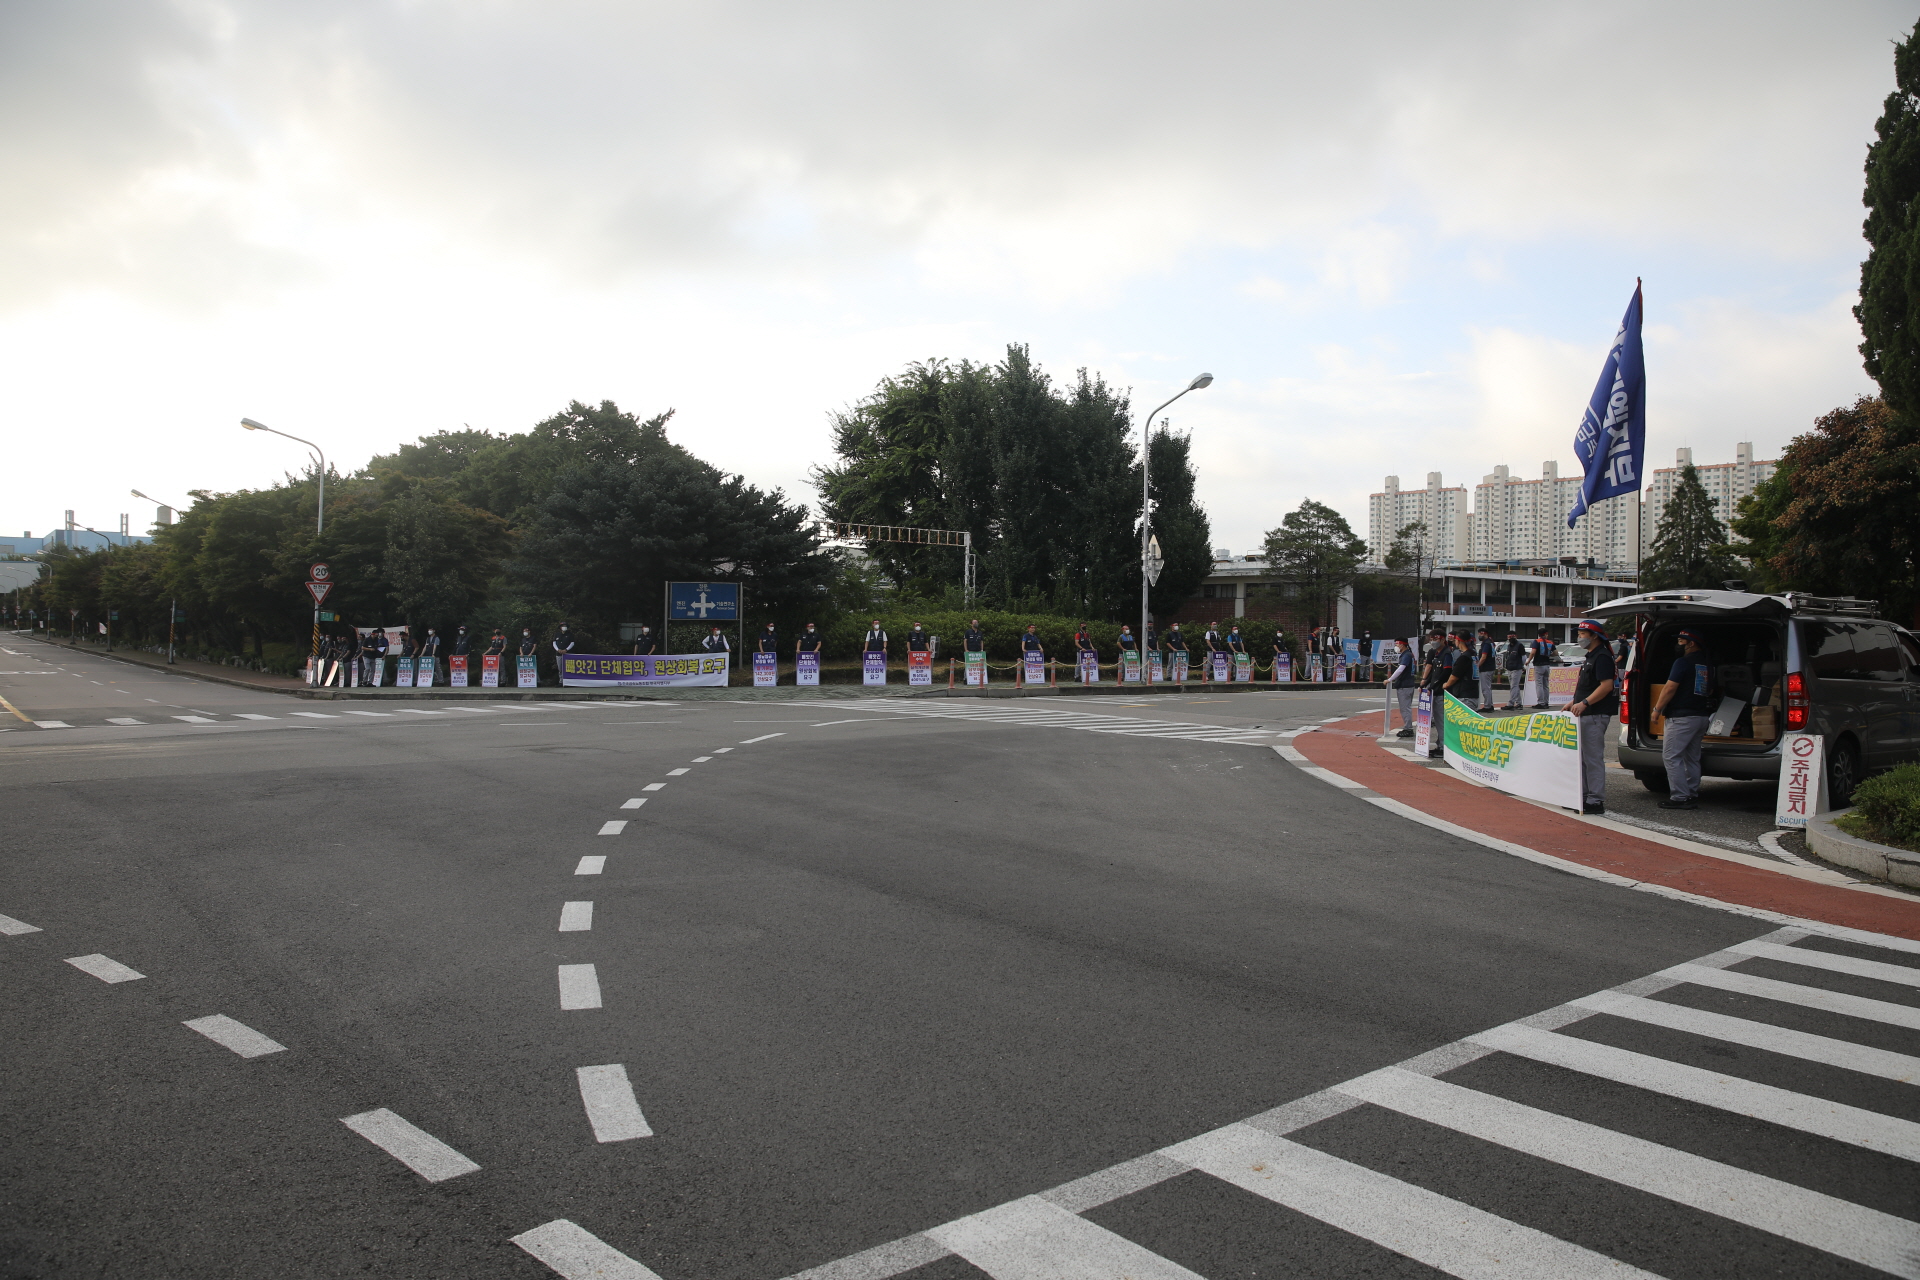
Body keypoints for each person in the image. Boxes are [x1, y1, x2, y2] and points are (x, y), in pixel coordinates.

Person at [1652, 628, 1714, 811]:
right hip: (1701, 715)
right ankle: (1691, 793)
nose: (1678, 645)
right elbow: (1710, 690)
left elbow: (1669, 688)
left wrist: (1657, 709)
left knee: (1671, 756)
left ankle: (1679, 797)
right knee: (1692, 757)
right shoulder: (1707, 664)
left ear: (1691, 643)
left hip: (1681, 717)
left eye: (1681, 641)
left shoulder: (1682, 662)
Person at [1564, 619, 1619, 816]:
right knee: (1583, 758)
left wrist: (1585, 703)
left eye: (1582, 634)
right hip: (1585, 712)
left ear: (1594, 636)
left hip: (1594, 714)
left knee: (1592, 758)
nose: (1579, 638)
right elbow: (1588, 685)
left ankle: (1595, 800)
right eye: (1579, 634)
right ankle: (1584, 796)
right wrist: (1574, 701)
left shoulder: (1602, 657)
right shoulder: (1592, 656)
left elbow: (1606, 686)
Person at [1388, 637, 1417, 737]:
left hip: (1405, 685)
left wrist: (1390, 679)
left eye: (1397, 644)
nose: (1396, 646)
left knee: (1405, 708)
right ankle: (1408, 727)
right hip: (1408, 684)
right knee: (1406, 707)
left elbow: (1401, 669)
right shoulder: (1409, 654)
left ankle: (1408, 729)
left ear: (1402, 644)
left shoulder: (1406, 655)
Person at [1529, 628, 1556, 708]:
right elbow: (1556, 653)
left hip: (1538, 665)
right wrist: (1548, 654)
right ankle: (1546, 702)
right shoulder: (1550, 642)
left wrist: (1528, 660)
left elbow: (1533, 652)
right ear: (1546, 634)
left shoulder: (1536, 641)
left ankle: (1541, 703)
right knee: (1545, 685)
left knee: (1539, 684)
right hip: (1547, 665)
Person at [1501, 632, 1526, 710]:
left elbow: (1524, 657)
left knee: (1514, 686)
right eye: (1509, 637)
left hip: (1517, 668)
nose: (1510, 638)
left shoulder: (1519, 645)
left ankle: (1510, 703)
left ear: (1516, 637)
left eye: (1512, 637)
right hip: (1510, 668)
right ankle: (1519, 703)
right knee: (1515, 686)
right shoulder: (1509, 646)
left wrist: (1522, 666)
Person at [1474, 627, 1497, 711]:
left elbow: (1483, 657)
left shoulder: (1486, 644)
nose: (1480, 635)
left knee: (1485, 688)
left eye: (1482, 633)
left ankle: (1487, 706)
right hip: (1490, 667)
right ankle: (1490, 705)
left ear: (1486, 634)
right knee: (1488, 687)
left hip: (1486, 668)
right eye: (1479, 633)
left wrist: (1477, 666)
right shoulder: (1490, 642)